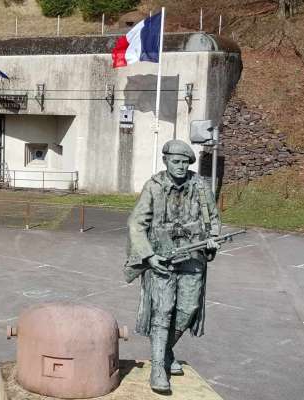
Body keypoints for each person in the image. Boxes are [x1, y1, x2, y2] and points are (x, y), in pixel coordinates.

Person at [124, 139, 221, 393]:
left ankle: (165, 351)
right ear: (166, 160)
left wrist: (212, 240)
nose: (180, 166)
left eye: (184, 162)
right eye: (175, 161)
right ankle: (158, 368)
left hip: (192, 259)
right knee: (163, 310)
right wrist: (148, 256)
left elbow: (213, 221)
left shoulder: (200, 186)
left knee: (188, 308)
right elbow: (136, 224)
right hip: (162, 259)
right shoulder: (154, 187)